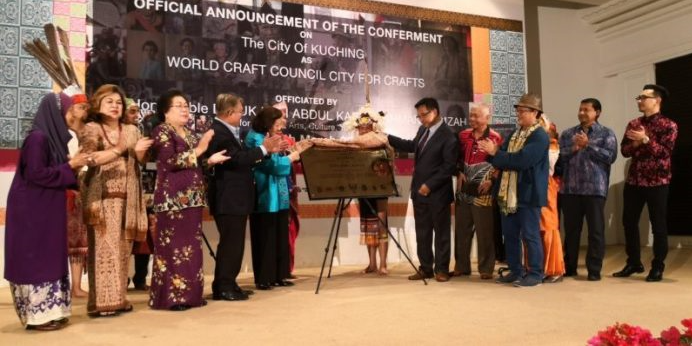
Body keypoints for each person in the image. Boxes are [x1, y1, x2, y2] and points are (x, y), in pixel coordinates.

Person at [4, 91, 89, 330]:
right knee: (37, 258)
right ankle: (37, 316)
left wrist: (74, 169)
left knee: (50, 256)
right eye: (69, 110)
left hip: (45, 208)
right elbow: (35, 174)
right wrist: (70, 165)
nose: (72, 116)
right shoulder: (38, 139)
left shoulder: (51, 140)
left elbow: (56, 173)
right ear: (55, 112)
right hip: (32, 211)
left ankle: (52, 311)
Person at [149, 90, 229, 310]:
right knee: (173, 248)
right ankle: (172, 298)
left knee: (191, 249)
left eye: (186, 105)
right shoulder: (161, 131)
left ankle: (192, 295)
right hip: (171, 199)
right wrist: (202, 148)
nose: (185, 109)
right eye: (179, 105)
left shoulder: (192, 134)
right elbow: (170, 161)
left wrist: (209, 159)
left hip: (193, 199)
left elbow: (196, 164)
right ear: (166, 111)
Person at [80, 84, 153, 317]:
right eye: (109, 101)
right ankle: (103, 303)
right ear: (98, 104)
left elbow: (139, 161)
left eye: (118, 102)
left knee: (123, 251)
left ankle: (119, 298)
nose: (115, 106)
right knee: (105, 251)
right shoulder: (92, 128)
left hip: (129, 198)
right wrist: (121, 148)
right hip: (103, 198)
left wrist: (139, 151)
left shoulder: (132, 130)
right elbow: (89, 159)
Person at [206, 93, 285, 301]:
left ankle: (229, 283)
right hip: (228, 198)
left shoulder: (226, 131)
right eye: (240, 111)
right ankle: (223, 287)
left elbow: (242, 160)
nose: (242, 115)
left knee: (235, 244)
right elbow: (237, 160)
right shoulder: (219, 133)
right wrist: (263, 148)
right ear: (230, 112)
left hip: (235, 198)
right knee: (230, 244)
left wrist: (266, 152)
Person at [478, 93, 549, 288]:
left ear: (535, 113)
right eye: (517, 110)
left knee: (530, 235)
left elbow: (522, 161)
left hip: (527, 193)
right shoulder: (515, 133)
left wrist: (495, 153)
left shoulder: (540, 135)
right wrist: (491, 153)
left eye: (522, 111)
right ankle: (516, 271)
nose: (518, 114)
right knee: (509, 235)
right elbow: (502, 157)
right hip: (508, 194)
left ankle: (535, 274)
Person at [387, 97, 459, 282]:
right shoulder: (423, 130)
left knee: (441, 233)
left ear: (434, 111)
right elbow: (412, 146)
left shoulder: (449, 135)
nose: (421, 119)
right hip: (419, 192)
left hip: (438, 193)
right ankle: (425, 268)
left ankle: (442, 269)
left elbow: (449, 167)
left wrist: (430, 185)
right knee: (423, 233)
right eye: (418, 116)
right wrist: (387, 138)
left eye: (423, 115)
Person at [613, 84, 678, 282]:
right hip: (635, 180)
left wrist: (646, 140)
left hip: (658, 181)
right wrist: (635, 142)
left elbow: (665, 153)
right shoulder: (633, 123)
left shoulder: (669, 125)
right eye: (639, 97)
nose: (640, 100)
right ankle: (634, 262)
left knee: (658, 225)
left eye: (644, 97)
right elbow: (624, 151)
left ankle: (657, 266)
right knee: (629, 222)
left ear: (657, 100)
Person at [246, 107, 305, 290]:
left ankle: (280, 274)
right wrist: (291, 158)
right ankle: (264, 277)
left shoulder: (275, 136)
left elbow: (278, 161)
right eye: (277, 123)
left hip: (280, 192)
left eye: (282, 123)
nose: (281, 126)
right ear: (267, 122)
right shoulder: (255, 137)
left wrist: (287, 153)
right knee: (265, 236)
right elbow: (268, 165)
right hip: (264, 192)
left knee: (280, 233)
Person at [559, 98, 617, 281]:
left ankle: (594, 270)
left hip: (594, 190)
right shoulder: (568, 134)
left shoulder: (606, 133)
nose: (582, 112)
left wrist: (588, 145)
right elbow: (559, 157)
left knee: (596, 231)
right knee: (571, 231)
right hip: (570, 189)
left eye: (586, 110)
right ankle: (570, 267)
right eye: (580, 109)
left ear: (597, 112)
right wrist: (575, 148)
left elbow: (610, 156)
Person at [453, 103, 502, 280]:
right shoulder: (463, 135)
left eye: (476, 116)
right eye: (471, 115)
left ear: (487, 118)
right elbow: (455, 158)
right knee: (462, 230)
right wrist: (458, 171)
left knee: (485, 231)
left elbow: (501, 163)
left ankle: (486, 268)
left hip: (484, 189)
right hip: (463, 189)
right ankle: (461, 266)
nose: (472, 119)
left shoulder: (495, 138)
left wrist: (491, 180)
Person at [123, 99, 152, 291]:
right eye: (132, 111)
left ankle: (140, 278)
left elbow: (147, 162)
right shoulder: (113, 134)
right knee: (123, 238)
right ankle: (121, 278)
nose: (136, 115)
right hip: (121, 193)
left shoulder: (141, 133)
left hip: (144, 191)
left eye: (137, 111)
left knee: (145, 236)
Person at [65, 93, 91, 298]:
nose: (85, 110)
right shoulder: (63, 134)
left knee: (79, 241)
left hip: (81, 190)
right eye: (81, 107)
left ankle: (76, 286)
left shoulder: (84, 131)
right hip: (67, 190)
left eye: (86, 107)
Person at [537, 116, 565, 283]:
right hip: (535, 186)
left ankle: (554, 269)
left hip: (547, 187)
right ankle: (537, 266)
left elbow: (548, 168)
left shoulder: (552, 147)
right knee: (535, 228)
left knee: (548, 227)